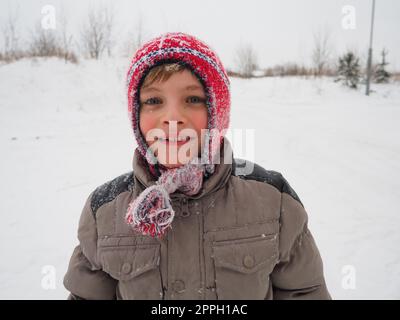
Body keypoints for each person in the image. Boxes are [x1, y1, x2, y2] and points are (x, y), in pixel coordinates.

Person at [64, 32, 331, 300]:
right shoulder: (104, 211)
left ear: (218, 111)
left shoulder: (273, 200)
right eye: (154, 101)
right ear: (136, 114)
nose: (172, 118)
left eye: (192, 99)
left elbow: (304, 291)